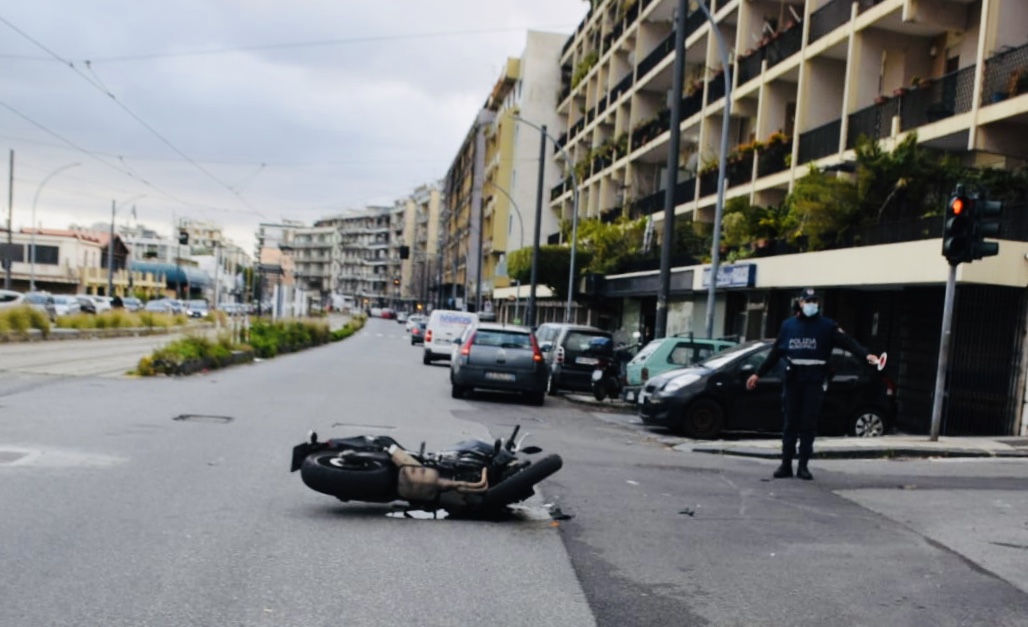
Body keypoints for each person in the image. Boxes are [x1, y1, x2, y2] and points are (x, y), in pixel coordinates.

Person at [746, 288, 879, 481]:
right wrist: (758, 374)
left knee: (808, 424)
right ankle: (785, 464)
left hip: (814, 380)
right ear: (799, 303)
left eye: (814, 300)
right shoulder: (788, 326)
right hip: (793, 379)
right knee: (790, 423)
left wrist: (866, 355)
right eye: (807, 300)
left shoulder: (827, 326)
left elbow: (848, 343)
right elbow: (775, 353)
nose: (811, 304)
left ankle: (803, 466)